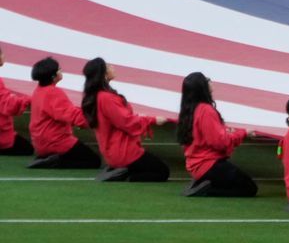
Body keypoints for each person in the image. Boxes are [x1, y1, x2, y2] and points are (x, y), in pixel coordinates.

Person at [83, 57, 166, 183]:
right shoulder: (106, 98)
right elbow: (126, 121)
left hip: (112, 152)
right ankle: (125, 174)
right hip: (123, 152)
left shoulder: (96, 96)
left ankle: (121, 171)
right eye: (108, 66)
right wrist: (152, 120)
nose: (112, 67)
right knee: (162, 172)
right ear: (103, 74)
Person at [177, 71, 252, 199]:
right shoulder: (206, 110)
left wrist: (226, 131)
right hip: (208, 164)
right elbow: (219, 142)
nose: (210, 81)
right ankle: (208, 189)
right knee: (249, 188)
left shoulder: (188, 109)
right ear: (202, 87)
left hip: (196, 164)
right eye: (207, 80)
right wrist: (243, 133)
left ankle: (205, 183)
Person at [27, 56, 100, 170]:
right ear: (53, 76)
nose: (61, 71)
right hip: (56, 142)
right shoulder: (53, 93)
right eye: (59, 69)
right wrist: (92, 120)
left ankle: (49, 158)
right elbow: (70, 114)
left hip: (40, 143)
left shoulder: (38, 91)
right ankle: (55, 162)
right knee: (93, 161)